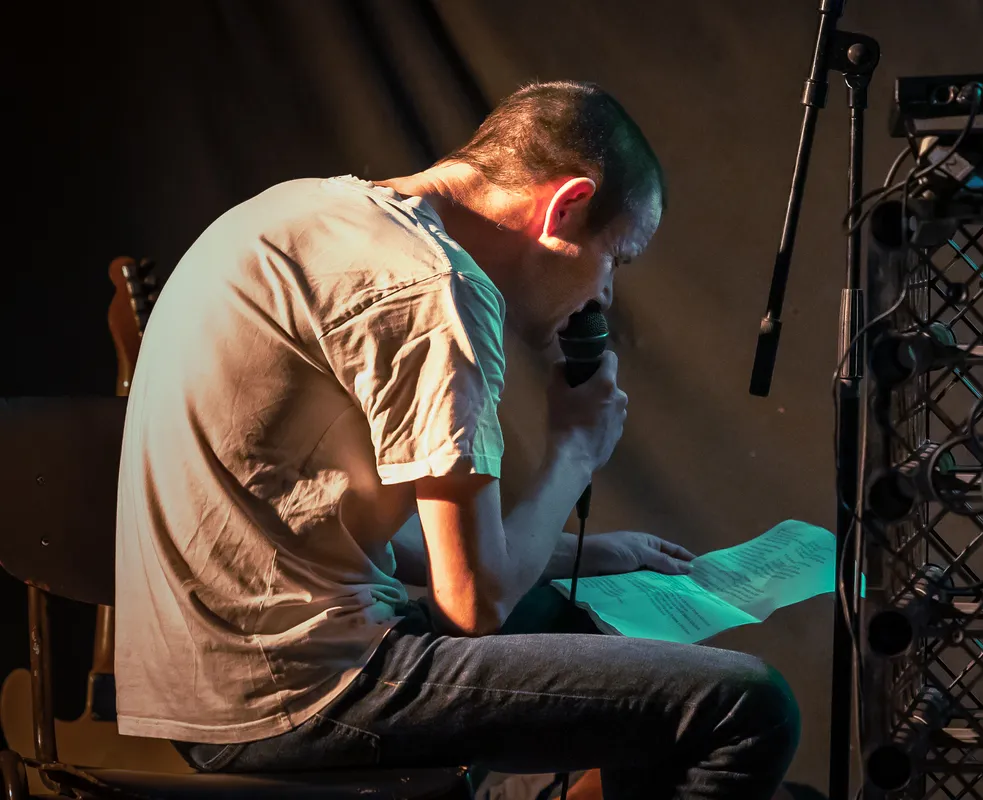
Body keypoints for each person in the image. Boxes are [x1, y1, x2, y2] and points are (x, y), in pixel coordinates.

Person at [115, 80, 800, 799]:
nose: (604, 296)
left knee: (599, 616)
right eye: (615, 259)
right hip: (297, 694)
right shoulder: (434, 287)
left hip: (206, 687)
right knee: (749, 709)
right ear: (566, 206)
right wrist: (576, 449)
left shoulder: (297, 212)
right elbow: (471, 607)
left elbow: (332, 524)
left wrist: (589, 553)